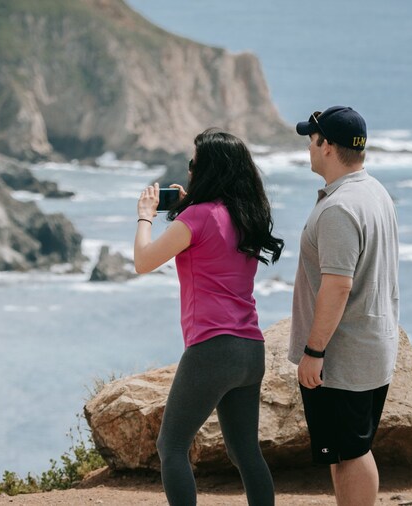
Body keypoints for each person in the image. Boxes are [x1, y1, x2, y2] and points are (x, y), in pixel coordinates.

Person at [134, 128, 283, 506]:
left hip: (212, 350)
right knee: (245, 454)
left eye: (193, 165)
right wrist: (186, 211)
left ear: (209, 170)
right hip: (251, 350)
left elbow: (142, 262)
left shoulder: (197, 218)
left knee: (171, 447)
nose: (189, 171)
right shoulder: (246, 215)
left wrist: (145, 217)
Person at [289, 106, 399, 506]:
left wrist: (314, 351)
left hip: (342, 354)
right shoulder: (375, 192)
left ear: (329, 146)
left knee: (350, 452)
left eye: (313, 139)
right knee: (348, 448)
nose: (309, 146)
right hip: (371, 344)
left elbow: (337, 286)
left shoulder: (338, 208)